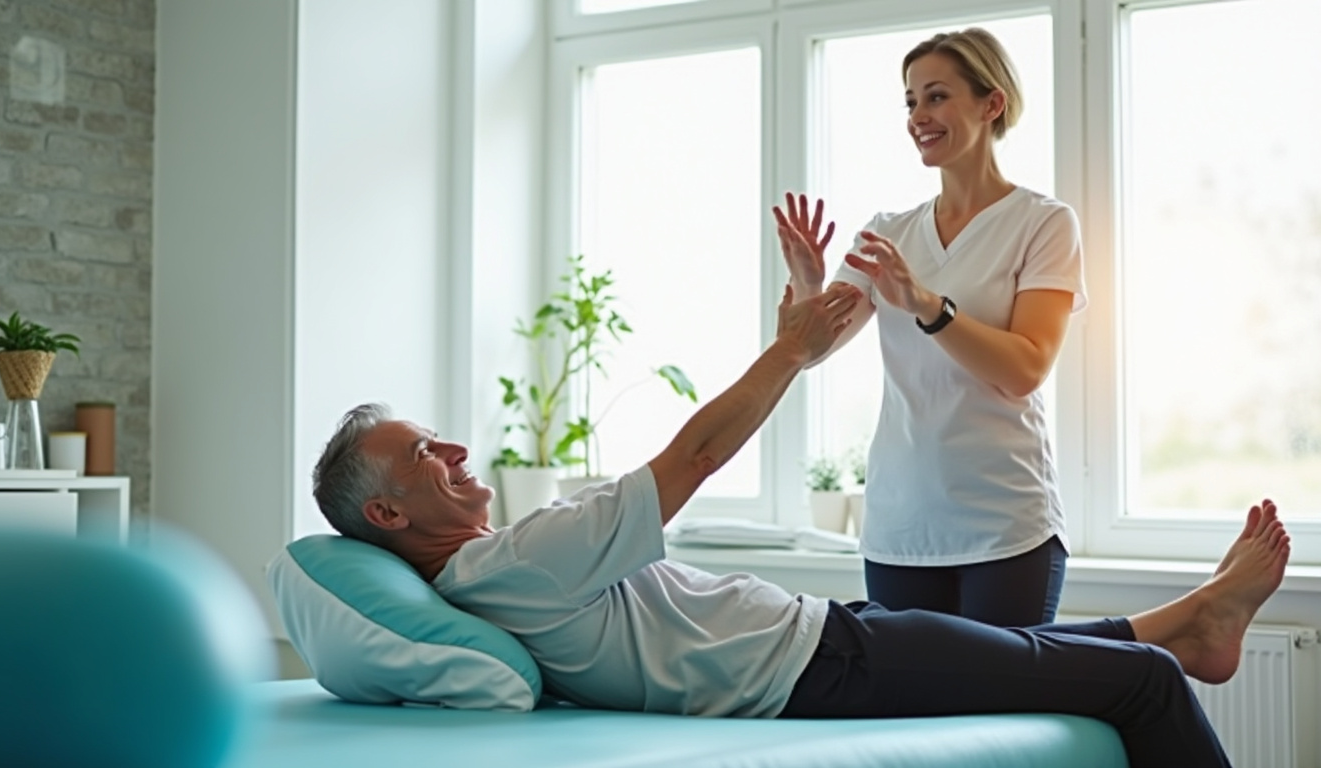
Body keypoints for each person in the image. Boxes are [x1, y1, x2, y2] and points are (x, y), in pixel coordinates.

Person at [311, 282, 1287, 768]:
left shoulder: (481, 577)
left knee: (1020, 650)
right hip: (821, 664)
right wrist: (791, 351)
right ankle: (1184, 635)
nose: (455, 455)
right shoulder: (514, 563)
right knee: (1144, 689)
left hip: (823, 643)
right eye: (425, 456)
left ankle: (1196, 618)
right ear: (390, 512)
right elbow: (693, 457)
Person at [773, 27, 1084, 626]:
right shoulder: (886, 232)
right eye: (911, 101)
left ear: (991, 103)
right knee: (912, 714)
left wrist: (925, 303)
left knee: (1004, 706)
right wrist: (810, 282)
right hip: (900, 528)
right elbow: (808, 351)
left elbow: (1025, 368)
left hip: (1005, 527)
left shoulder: (1043, 223)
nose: (919, 115)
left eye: (937, 96)